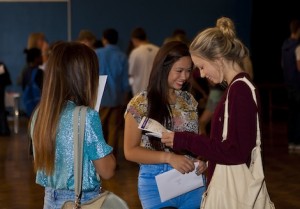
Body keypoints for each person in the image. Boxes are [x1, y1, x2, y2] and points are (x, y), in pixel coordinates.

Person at [161, 17, 259, 189]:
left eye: (202, 66)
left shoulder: (240, 89)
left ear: (218, 58)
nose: (203, 74)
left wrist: (185, 140)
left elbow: (235, 152)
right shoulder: (236, 87)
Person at [30, 42, 116, 209]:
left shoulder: (40, 114)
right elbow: (107, 170)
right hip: (82, 201)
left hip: (50, 199)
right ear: (85, 78)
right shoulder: (86, 117)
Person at [124, 41, 207, 209]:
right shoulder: (140, 103)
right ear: (163, 68)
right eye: (179, 70)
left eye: (189, 71)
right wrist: (169, 158)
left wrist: (203, 158)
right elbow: (130, 151)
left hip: (192, 180)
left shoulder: (189, 100)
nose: (184, 77)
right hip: (155, 184)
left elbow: (200, 138)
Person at [96, 28, 131, 158]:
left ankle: (98, 158)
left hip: (99, 97)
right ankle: (111, 158)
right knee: (114, 129)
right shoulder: (122, 56)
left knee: (98, 128)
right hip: (116, 98)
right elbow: (125, 83)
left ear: (104, 39)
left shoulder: (97, 53)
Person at [281, 19, 300, 152]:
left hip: (288, 85)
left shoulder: (285, 45)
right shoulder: (298, 46)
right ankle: (297, 142)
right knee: (298, 115)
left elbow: (283, 65)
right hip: (298, 85)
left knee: (292, 114)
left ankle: (291, 142)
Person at [128, 27, 159, 96]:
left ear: (134, 40)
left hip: (139, 91)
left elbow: (131, 72)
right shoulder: (158, 50)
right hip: (155, 90)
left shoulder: (135, 52)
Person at [21, 48, 44, 117]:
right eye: (40, 56)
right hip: (38, 105)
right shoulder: (39, 72)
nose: (42, 58)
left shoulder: (25, 71)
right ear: (36, 58)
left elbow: (23, 87)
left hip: (28, 106)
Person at [0, 62, 12, 136]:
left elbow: (6, 79)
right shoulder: (1, 65)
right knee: (1, 110)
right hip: (1, 91)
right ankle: (3, 129)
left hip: (0, 91)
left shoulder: (1, 65)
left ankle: (4, 129)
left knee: (1, 110)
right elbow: (7, 80)